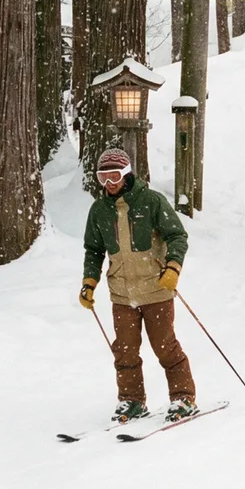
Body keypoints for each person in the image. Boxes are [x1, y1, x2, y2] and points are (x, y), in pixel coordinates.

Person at [79, 148, 197, 423]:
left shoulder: (151, 201)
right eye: (103, 177)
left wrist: (173, 267)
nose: (110, 183)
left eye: (115, 176)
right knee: (124, 351)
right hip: (122, 294)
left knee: (165, 347)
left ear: (127, 173)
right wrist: (89, 282)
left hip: (156, 289)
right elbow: (93, 250)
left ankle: (183, 397)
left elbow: (177, 235)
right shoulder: (99, 211)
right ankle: (132, 401)